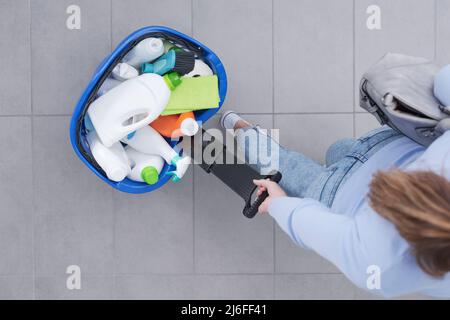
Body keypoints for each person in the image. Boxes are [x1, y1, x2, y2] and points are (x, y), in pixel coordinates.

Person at [220, 111, 450, 298]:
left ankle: (342, 159)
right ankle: (243, 130)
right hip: (335, 194)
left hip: (387, 147)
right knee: (282, 162)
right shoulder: (383, 269)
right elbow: (316, 227)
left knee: (339, 150)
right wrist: (276, 204)